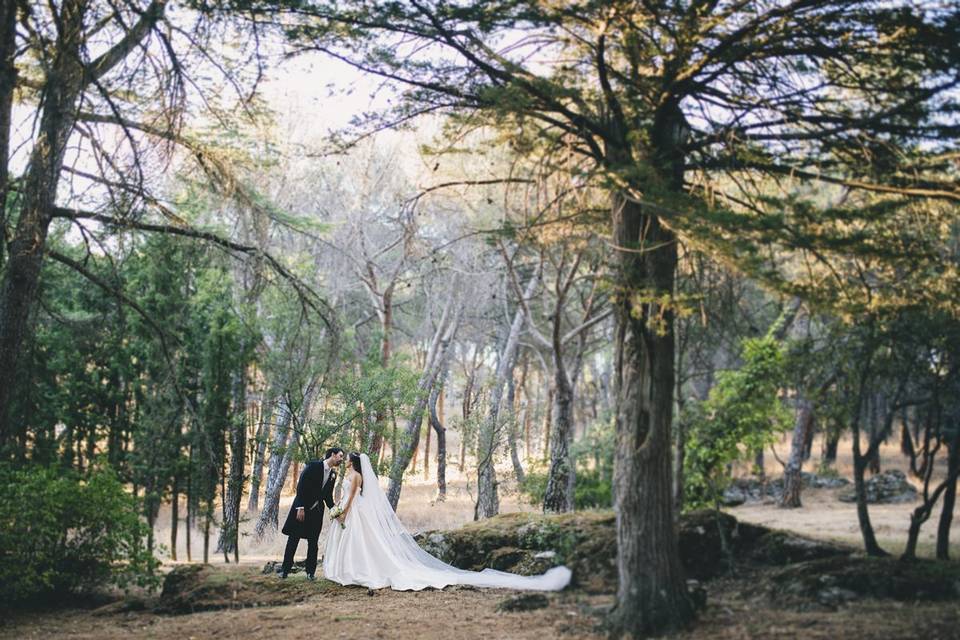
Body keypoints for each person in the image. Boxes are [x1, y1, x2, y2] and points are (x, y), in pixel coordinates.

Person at [323, 452, 571, 591]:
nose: (344, 461)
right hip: (356, 512)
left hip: (355, 511)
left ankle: (359, 571)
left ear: (353, 462)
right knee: (361, 542)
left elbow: (352, 497)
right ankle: (351, 570)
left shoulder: (355, 476)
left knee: (362, 542)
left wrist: (341, 512)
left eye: (347, 459)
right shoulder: (353, 473)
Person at [279, 447, 344, 580]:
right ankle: (285, 570)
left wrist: (334, 511)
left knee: (313, 542)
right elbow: (301, 486)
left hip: (317, 512)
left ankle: (310, 573)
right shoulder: (313, 466)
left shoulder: (333, 475)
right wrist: (300, 507)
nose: (341, 459)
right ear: (333, 455)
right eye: (340, 456)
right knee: (293, 539)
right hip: (301, 509)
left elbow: (327, 496)